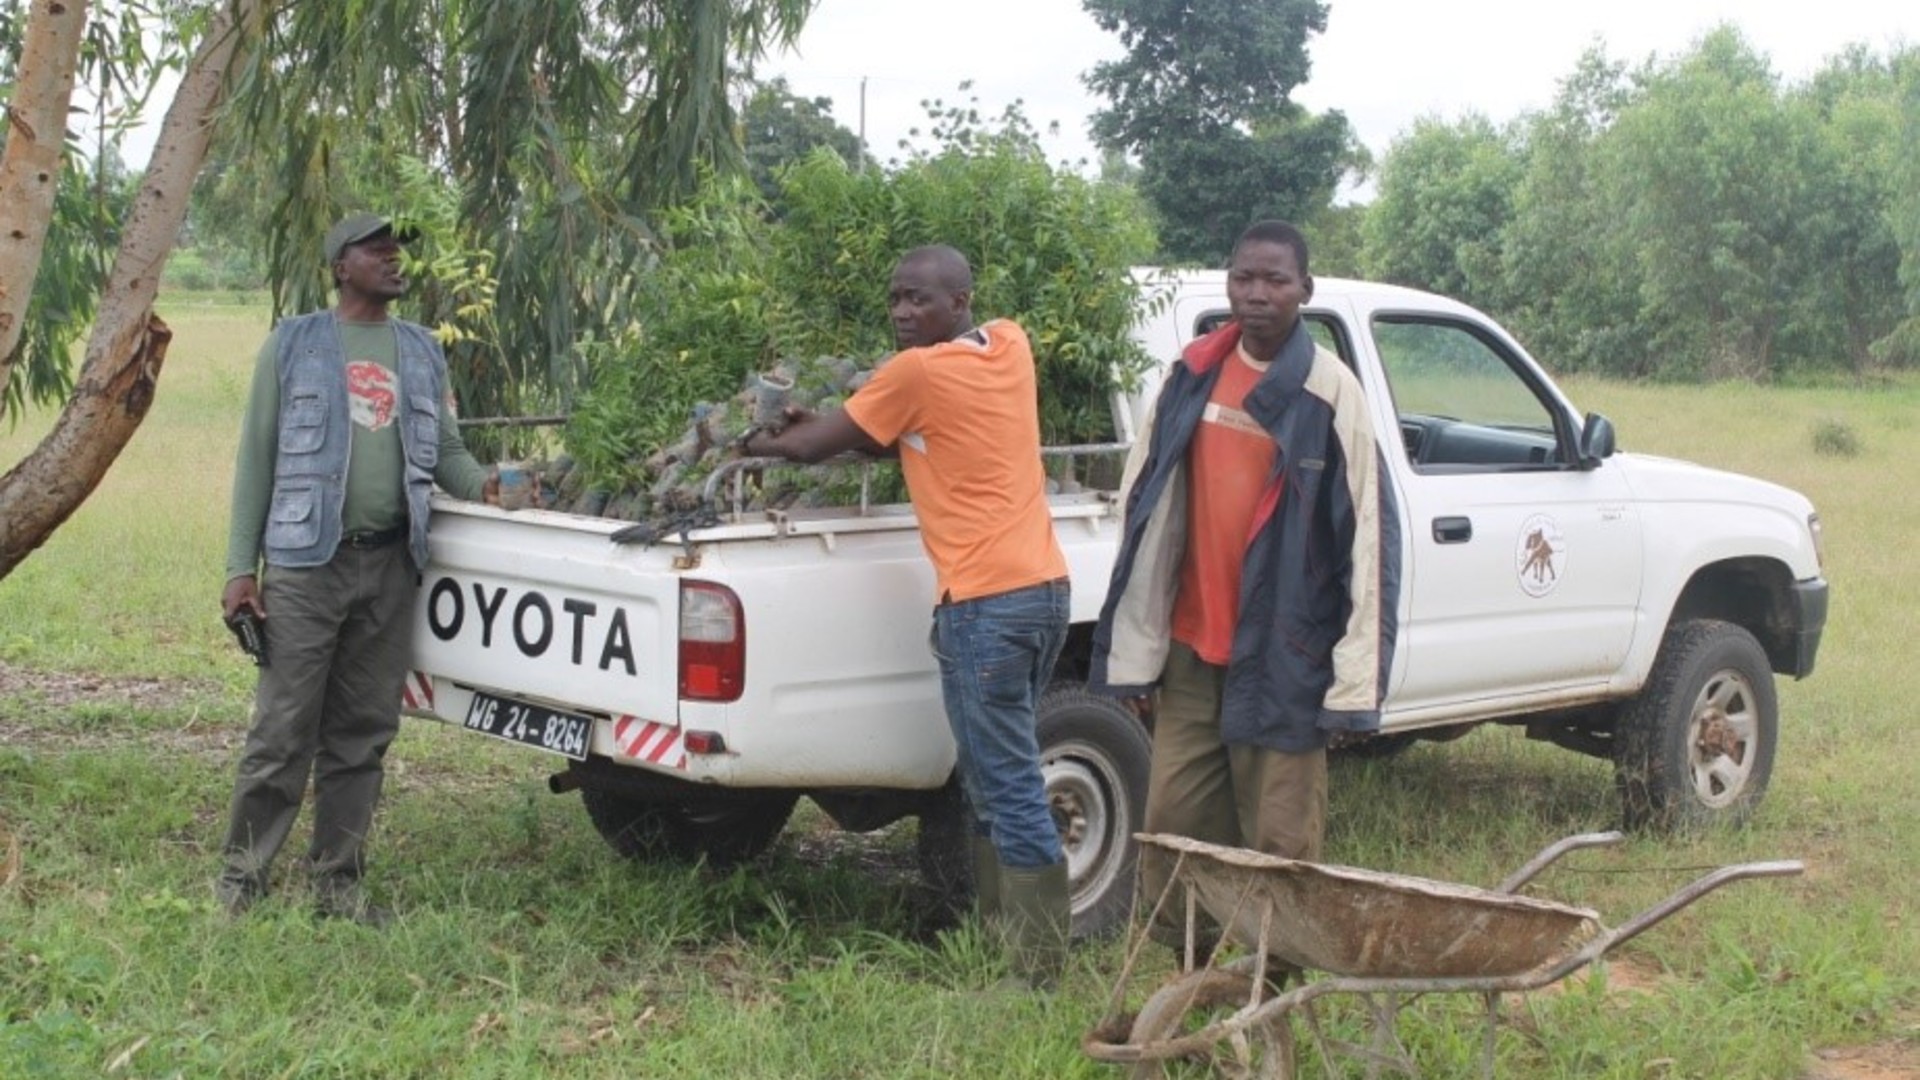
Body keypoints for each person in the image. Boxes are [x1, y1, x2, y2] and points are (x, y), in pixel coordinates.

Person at [744, 246, 1072, 988]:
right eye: (895, 298)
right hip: (1045, 590)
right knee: (994, 777)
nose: (901, 312)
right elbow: (904, 427)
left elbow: (809, 445)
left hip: (985, 604)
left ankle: (1039, 972)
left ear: (958, 302)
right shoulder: (1011, 343)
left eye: (919, 300)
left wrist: (765, 438)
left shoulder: (916, 374)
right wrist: (838, 421)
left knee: (1008, 780)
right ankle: (1003, 940)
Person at [1089, 220, 1402, 950]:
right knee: (1173, 835)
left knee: (1279, 850)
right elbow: (1145, 512)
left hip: (1285, 660)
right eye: (1244, 279)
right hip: (1193, 657)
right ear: (1227, 282)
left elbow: (1370, 544)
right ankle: (1191, 990)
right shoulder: (1191, 373)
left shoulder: (1330, 393)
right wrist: (1136, 650)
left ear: (1305, 291)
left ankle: (1268, 1007)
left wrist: (1352, 688)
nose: (1257, 295)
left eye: (1276, 281)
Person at [216, 212, 499, 926]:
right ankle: (241, 879)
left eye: (398, 249)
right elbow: (258, 458)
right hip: (307, 564)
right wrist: (238, 569)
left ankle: (337, 885)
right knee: (283, 730)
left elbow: (448, 454)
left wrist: (494, 488)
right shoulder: (295, 344)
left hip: (391, 565)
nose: (394, 259)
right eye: (378, 249)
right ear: (341, 264)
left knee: (362, 734)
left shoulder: (422, 351)